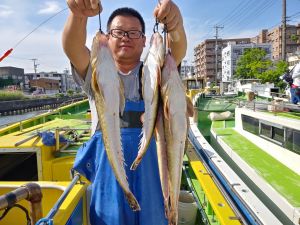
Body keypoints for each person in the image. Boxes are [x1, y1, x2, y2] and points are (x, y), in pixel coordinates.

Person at [62, 0, 187, 224]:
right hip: (107, 172)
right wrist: (78, 15)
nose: (125, 37)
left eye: (134, 33)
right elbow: (72, 47)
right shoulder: (95, 72)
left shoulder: (156, 70)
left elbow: (177, 49)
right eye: (118, 32)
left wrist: (175, 25)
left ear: (144, 41)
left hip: (153, 173)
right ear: (107, 37)